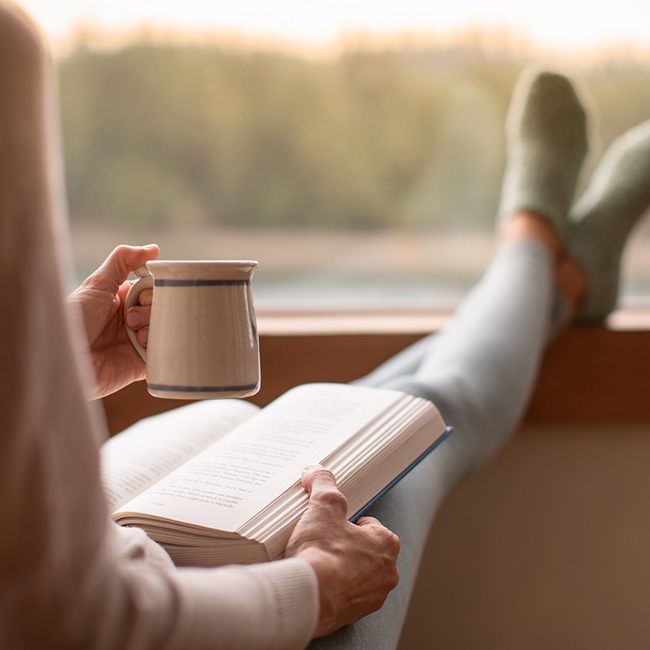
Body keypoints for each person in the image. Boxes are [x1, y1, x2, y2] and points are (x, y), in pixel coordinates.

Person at [2, 4, 650, 650]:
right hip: (158, 608)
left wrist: (42, 370)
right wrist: (316, 586)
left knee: (359, 425)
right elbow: (77, 622)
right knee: (424, 417)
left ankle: (555, 274)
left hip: (120, 550)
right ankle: (537, 253)